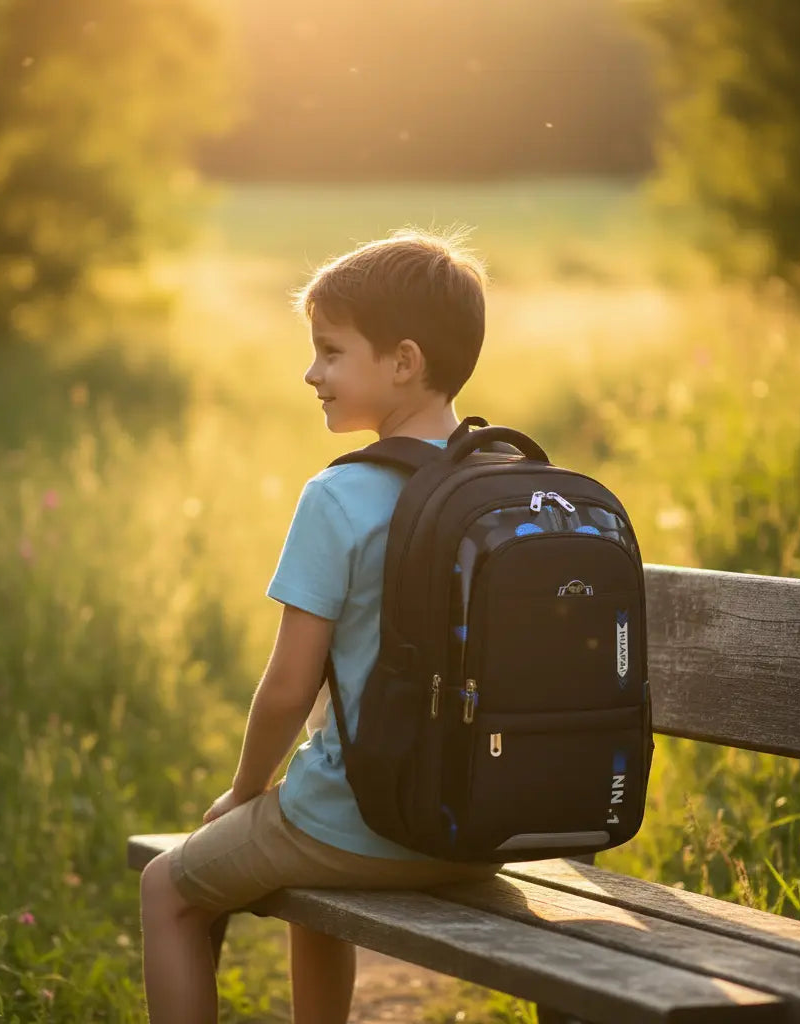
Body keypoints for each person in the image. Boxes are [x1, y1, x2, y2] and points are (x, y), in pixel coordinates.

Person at [139, 229, 500, 1024]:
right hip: (477, 828)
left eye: (331, 352)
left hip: (361, 825)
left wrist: (242, 792)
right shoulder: (496, 487)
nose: (312, 373)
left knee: (165, 888)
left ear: (403, 362)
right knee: (309, 870)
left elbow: (286, 690)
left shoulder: (336, 499)